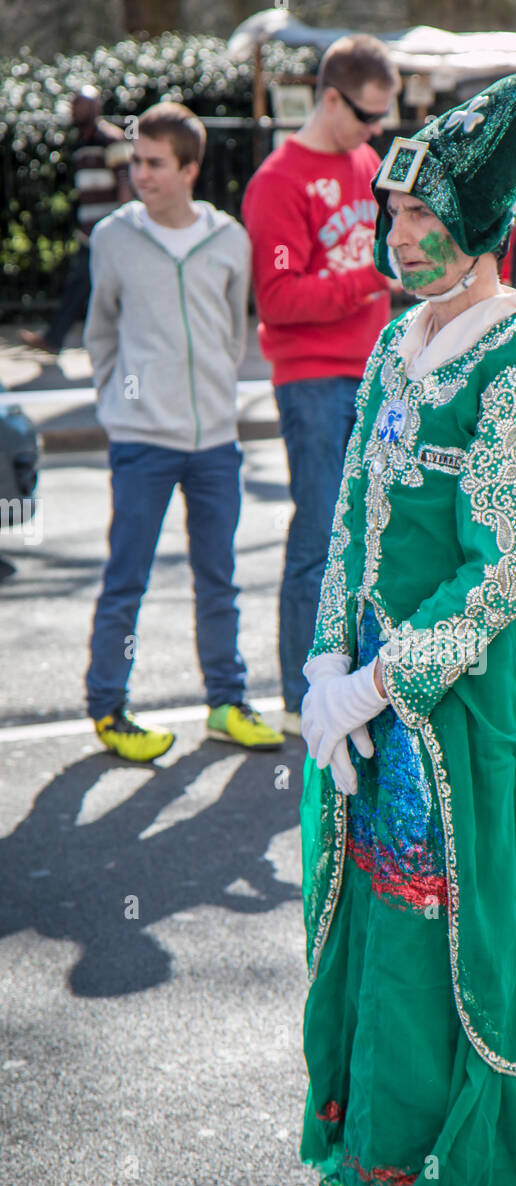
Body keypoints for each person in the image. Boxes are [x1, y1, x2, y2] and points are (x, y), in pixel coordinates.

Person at [297, 72, 516, 1186]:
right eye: (388, 208)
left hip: (460, 710)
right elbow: (352, 508)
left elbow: (495, 580)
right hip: (367, 686)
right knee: (382, 915)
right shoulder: (394, 343)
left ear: (478, 226)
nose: (393, 235)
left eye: (418, 215)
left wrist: (373, 683)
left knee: (475, 926)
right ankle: (396, 1156)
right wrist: (319, 657)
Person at [83, 102, 283, 762]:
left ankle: (226, 703)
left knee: (218, 578)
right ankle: (109, 708)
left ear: (190, 169)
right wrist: (120, 399)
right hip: (141, 440)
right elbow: (102, 331)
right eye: (137, 161)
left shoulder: (228, 239)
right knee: (127, 579)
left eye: (155, 164)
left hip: (214, 442)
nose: (140, 173)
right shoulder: (113, 237)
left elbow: (232, 329)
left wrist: (216, 394)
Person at [242, 36, 400, 737]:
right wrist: (371, 279)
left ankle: (350, 690)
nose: (376, 131)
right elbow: (276, 299)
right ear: (330, 97)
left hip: (373, 372)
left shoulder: (364, 160)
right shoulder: (278, 180)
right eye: (366, 115)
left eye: (382, 118)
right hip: (312, 381)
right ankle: (295, 700)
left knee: (374, 537)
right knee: (317, 540)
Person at [20, 86, 131, 356]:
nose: (74, 110)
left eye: (80, 105)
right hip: (89, 230)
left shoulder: (111, 139)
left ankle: (57, 338)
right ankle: (56, 338)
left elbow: (126, 181)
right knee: (83, 283)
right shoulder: (82, 143)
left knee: (94, 283)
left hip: (109, 229)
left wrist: (125, 224)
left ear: (95, 108)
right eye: (73, 105)